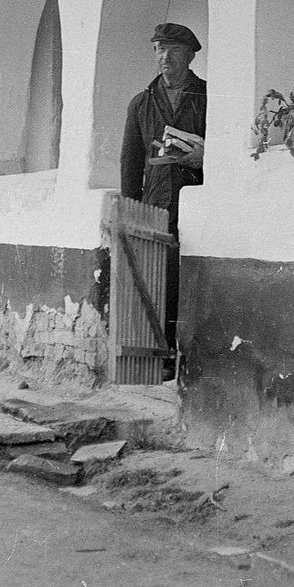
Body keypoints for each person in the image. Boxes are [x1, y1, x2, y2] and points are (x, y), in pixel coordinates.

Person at [119, 23, 206, 367]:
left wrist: (204, 157)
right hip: (155, 200)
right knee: (157, 277)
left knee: (192, 275)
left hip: (196, 195)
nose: (164, 57)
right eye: (159, 49)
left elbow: (226, 150)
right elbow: (130, 163)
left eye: (172, 50)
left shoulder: (207, 96)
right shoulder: (141, 103)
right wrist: (130, 209)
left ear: (189, 55)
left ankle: (191, 355)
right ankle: (160, 356)